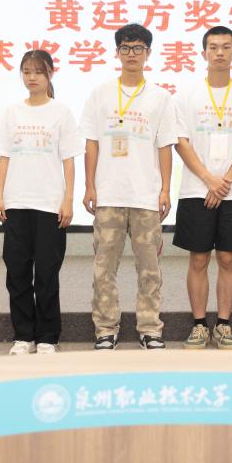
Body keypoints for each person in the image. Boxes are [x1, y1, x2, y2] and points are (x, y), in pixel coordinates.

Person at [81, 24, 177, 350]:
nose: (131, 54)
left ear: (148, 53)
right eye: (125, 47)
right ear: (117, 52)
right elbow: (91, 143)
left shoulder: (161, 97)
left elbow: (165, 146)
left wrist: (165, 189)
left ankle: (150, 328)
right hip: (108, 194)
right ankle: (105, 329)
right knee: (103, 269)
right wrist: (89, 186)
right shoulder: (100, 94)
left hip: (145, 196)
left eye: (138, 48)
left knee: (150, 269)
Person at [173, 26, 232, 349]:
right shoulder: (186, 95)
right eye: (213, 47)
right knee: (198, 259)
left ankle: (224, 324)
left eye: (226, 47)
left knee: (228, 259)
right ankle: (199, 324)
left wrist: (223, 181)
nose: (220, 53)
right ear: (203, 53)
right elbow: (181, 142)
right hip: (196, 190)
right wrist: (209, 179)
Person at [0, 49, 82, 355]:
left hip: (49, 204)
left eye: (38, 72)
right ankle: (23, 335)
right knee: (17, 272)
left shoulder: (61, 112)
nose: (32, 78)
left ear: (50, 74)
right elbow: (4, 157)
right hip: (16, 202)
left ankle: (47, 336)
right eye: (27, 72)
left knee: (46, 273)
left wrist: (68, 200)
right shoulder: (12, 112)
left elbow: (69, 161)